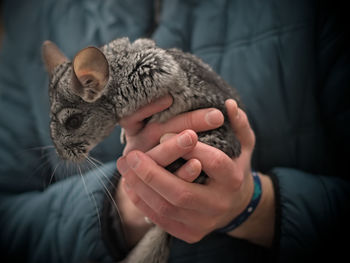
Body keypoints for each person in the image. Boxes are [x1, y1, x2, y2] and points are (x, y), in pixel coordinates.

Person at [0, 0, 349, 262]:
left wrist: (255, 206)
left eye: (73, 123)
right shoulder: (29, 14)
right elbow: (11, 220)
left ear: (94, 82)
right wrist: (122, 209)